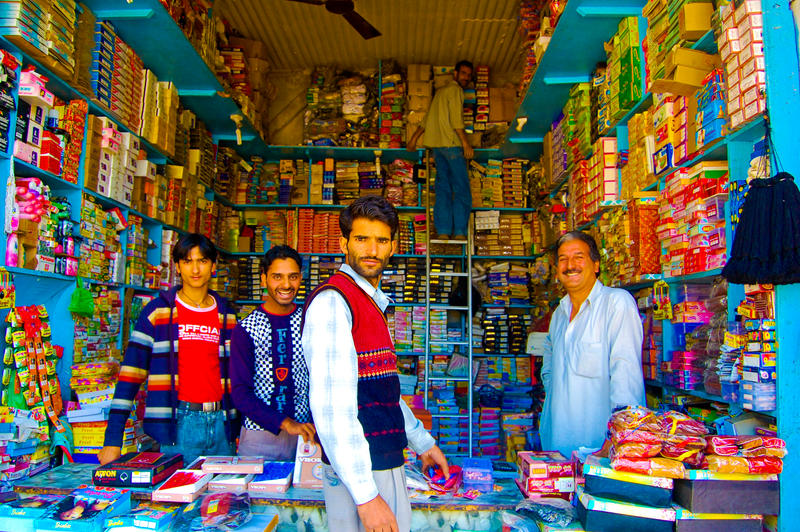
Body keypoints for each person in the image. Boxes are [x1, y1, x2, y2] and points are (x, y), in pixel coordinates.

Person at [302, 195, 450, 532]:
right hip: (362, 475)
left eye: (381, 240)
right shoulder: (333, 302)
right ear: (344, 243)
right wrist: (367, 497)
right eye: (361, 238)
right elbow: (332, 409)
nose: (372, 248)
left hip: (381, 465)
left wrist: (422, 443)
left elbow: (382, 391)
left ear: (393, 247)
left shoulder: (369, 304)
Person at [98, 233, 239, 466]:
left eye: (202, 261)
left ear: (213, 266)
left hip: (222, 425)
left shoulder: (227, 316)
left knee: (222, 499)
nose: (195, 269)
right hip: (176, 425)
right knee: (174, 498)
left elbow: (240, 377)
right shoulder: (158, 313)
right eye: (187, 261)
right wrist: (112, 440)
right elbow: (130, 376)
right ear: (177, 267)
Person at [539, 231, 645, 456]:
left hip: (600, 448)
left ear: (596, 265)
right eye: (563, 259)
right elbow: (549, 368)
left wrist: (618, 438)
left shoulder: (616, 303)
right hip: (555, 444)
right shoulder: (559, 313)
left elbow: (626, 374)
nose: (570, 265)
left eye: (579, 257)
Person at [230, 245, 315, 459]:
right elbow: (240, 394)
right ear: (263, 279)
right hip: (259, 438)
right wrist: (286, 423)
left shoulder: (311, 322)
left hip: (306, 438)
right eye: (277, 276)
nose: (286, 285)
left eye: (292, 277)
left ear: (301, 278)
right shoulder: (246, 329)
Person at [407, 60, 474, 241]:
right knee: (461, 189)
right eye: (464, 74)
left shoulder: (440, 94)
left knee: (443, 189)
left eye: (469, 75)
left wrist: (413, 139)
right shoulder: (456, 91)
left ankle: (443, 231)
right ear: (456, 74)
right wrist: (466, 144)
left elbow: (426, 120)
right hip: (452, 146)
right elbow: (456, 121)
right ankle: (459, 232)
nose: (466, 78)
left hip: (437, 149)